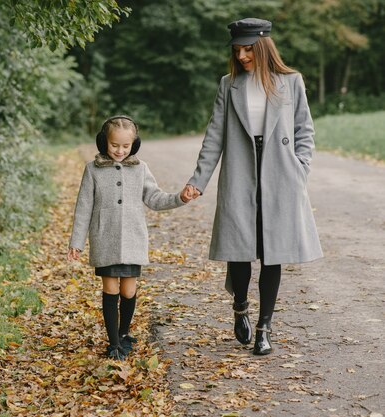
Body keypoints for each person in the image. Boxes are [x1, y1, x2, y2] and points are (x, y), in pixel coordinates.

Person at [180, 18, 323, 355]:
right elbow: (214, 136)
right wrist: (197, 180)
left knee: (273, 253)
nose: (242, 55)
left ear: (263, 46)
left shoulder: (291, 82)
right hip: (241, 171)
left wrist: (300, 168)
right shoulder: (228, 84)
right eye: (237, 49)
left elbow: (305, 130)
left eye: (248, 48)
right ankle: (241, 307)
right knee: (240, 248)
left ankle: (264, 327)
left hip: (281, 175)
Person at [68, 115, 187, 360]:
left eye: (126, 146)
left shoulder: (140, 169)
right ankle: (113, 343)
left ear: (135, 144)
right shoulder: (93, 170)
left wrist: (180, 198)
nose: (120, 151)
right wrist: (77, 242)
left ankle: (123, 334)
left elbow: (155, 198)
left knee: (129, 290)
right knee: (110, 288)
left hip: (133, 238)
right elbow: (83, 207)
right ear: (104, 142)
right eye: (114, 145)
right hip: (105, 237)